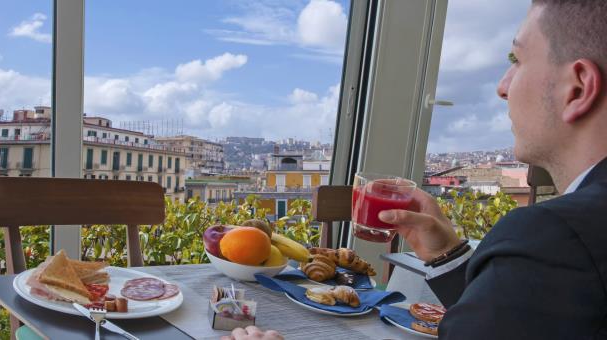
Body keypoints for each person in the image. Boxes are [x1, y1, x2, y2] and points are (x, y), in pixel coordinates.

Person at [223, 0, 607, 338]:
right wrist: (449, 257)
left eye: (517, 61)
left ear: (577, 88)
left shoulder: (552, 238)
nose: (502, 88)